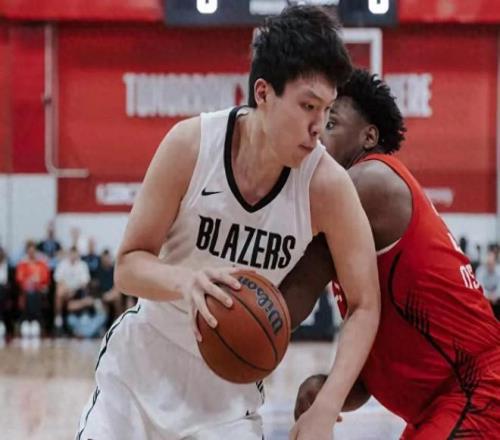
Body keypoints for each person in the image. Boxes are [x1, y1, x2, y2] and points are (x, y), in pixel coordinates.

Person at [77, 7, 381, 440]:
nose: (318, 127)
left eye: (327, 110)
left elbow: (365, 304)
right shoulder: (191, 145)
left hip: (228, 397)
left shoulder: (327, 186)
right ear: (263, 92)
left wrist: (327, 406)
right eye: (307, 106)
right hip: (140, 371)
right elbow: (127, 266)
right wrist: (186, 281)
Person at [285, 69, 500, 438]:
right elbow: (375, 373)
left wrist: (229, 327)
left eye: (331, 123)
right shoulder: (355, 213)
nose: (318, 133)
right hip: (443, 404)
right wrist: (328, 387)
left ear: (368, 136)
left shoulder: (369, 181)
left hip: (479, 392)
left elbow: (297, 290)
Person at [15, 240, 50, 337]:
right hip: (26, 290)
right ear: (27, 251)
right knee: (30, 293)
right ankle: (28, 320)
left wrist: (37, 284)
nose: (31, 253)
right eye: (29, 251)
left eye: (33, 251)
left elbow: (45, 278)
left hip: (39, 290)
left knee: (35, 293)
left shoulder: (41, 263)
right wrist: (30, 282)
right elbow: (19, 279)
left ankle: (35, 321)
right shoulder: (22, 264)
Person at [476, 250, 500, 319]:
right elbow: (480, 288)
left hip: (497, 300)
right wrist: (488, 297)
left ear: (495, 262)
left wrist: (494, 296)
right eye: (488, 264)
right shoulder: (479, 270)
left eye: (491, 263)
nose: (490, 266)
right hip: (485, 299)